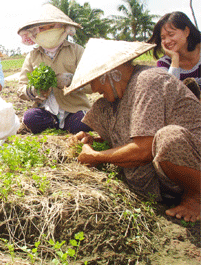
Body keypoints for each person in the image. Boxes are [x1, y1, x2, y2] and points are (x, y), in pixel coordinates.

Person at [66, 38, 201, 222]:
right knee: (102, 107)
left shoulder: (148, 81)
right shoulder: (124, 92)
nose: (95, 89)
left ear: (111, 74)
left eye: (97, 81)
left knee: (169, 138)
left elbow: (144, 148)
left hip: (194, 161)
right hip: (166, 174)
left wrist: (96, 157)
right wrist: (94, 142)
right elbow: (131, 136)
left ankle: (196, 196)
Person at [17, 3, 92, 134]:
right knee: (30, 118)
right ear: (35, 31)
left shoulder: (77, 51)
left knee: (83, 122)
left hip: (74, 109)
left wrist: (72, 82)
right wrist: (35, 90)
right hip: (46, 111)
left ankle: (69, 124)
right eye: (42, 28)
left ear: (62, 27)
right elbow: (20, 89)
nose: (47, 31)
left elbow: (93, 84)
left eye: (51, 27)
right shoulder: (32, 56)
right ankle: (55, 124)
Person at [148, 11, 201, 99]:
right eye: (163, 38)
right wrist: (175, 59)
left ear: (186, 32)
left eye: (171, 34)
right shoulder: (164, 63)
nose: (167, 41)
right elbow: (168, 94)